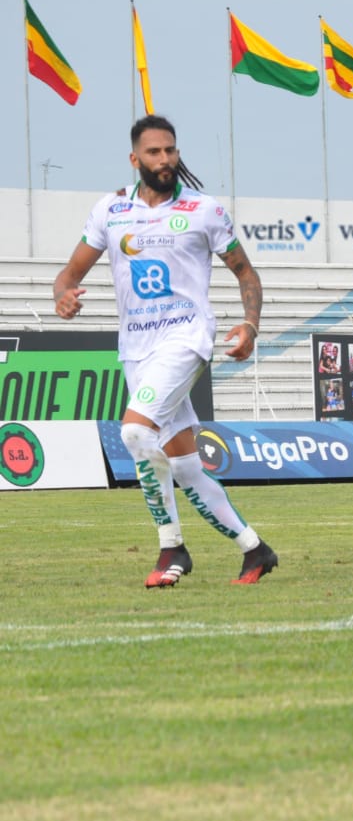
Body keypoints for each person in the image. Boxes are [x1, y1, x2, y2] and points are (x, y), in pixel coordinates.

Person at [53, 114, 277, 588]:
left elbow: (245, 272)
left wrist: (251, 324)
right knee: (185, 465)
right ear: (135, 159)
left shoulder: (203, 210)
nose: (165, 159)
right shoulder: (110, 210)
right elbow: (69, 274)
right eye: (154, 152)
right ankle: (255, 549)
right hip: (136, 348)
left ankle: (172, 547)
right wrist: (64, 295)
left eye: (171, 150)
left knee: (135, 433)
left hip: (186, 339)